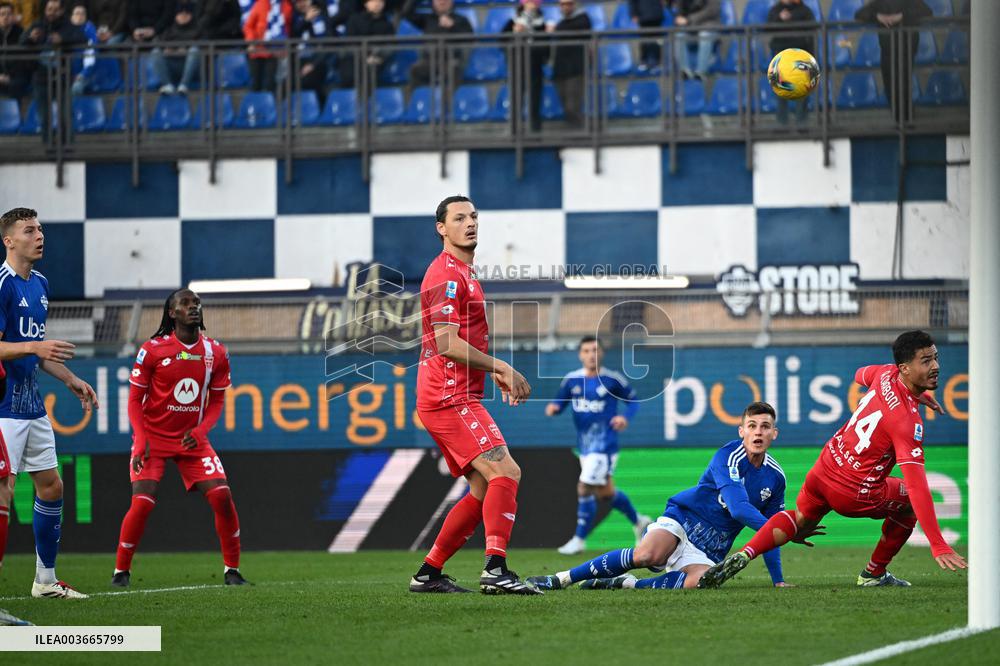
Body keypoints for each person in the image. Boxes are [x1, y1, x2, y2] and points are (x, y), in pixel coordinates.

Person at [700, 331, 968, 590]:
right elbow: (917, 486)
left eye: (935, 358)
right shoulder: (906, 422)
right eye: (926, 361)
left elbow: (859, 374)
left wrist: (917, 394)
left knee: (802, 520)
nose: (935, 366)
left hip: (824, 469)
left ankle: (746, 553)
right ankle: (873, 574)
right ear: (905, 368)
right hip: (854, 492)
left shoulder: (886, 374)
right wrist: (938, 543)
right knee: (909, 501)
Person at [408, 195, 539, 596]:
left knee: (483, 488)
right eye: (459, 217)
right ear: (441, 228)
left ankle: (428, 573)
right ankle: (495, 569)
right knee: (507, 471)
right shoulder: (444, 275)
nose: (470, 223)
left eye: (474, 216)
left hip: (455, 393)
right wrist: (500, 365)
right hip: (448, 397)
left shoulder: (465, 273)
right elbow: (447, 343)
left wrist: (487, 372)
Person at [528, 402, 791, 591]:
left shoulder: (776, 477)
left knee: (703, 582)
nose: (758, 432)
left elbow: (770, 534)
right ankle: (562, 579)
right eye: (752, 426)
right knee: (647, 556)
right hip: (684, 520)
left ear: (774, 434)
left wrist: (777, 579)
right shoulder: (727, 456)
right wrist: (785, 529)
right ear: (741, 431)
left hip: (711, 548)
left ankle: (630, 584)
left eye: (765, 427)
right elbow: (740, 509)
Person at [113, 288, 248, 588]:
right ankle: (121, 572)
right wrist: (140, 440)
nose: (194, 307)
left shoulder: (216, 352)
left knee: (222, 496)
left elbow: (216, 402)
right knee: (143, 502)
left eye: (197, 303)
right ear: (172, 313)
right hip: (153, 439)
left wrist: (200, 431)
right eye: (185, 303)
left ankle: (232, 571)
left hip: (192, 440)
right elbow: (135, 400)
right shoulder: (153, 350)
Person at [0, 207, 97, 599]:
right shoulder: (2, 283)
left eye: (40, 228)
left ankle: (45, 581)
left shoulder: (39, 283)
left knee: (52, 486)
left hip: (32, 406)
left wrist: (71, 379)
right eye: (29, 230)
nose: (39, 235)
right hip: (3, 408)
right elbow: (20, 346)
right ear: (9, 240)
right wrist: (32, 346)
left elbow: (38, 352)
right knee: (4, 491)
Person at [547, 336, 650, 555]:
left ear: (601, 353)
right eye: (586, 350)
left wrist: (625, 418)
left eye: (595, 350)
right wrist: (554, 408)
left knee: (584, 486)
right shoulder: (572, 380)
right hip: (585, 445)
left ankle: (579, 539)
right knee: (605, 493)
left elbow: (633, 401)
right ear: (580, 355)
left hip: (604, 445)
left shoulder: (612, 380)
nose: (591, 354)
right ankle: (639, 521)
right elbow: (560, 401)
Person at [20, 0, 87, 144]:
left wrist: (62, 39)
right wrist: (30, 38)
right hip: (41, 77)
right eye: (49, 9)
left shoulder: (68, 26)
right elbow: (22, 41)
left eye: (55, 9)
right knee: (44, 118)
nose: (51, 12)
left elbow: (82, 38)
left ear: (62, 11)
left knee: (66, 116)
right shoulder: (38, 25)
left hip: (62, 77)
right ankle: (49, 148)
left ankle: (67, 147)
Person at [854, 0, 931, 124]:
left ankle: (905, 120)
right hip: (888, 49)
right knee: (890, 83)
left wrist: (901, 16)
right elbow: (859, 14)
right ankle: (900, 120)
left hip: (906, 48)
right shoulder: (879, 3)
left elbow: (926, 11)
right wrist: (878, 17)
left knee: (902, 83)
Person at [401, 0, 472, 92]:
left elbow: (469, 38)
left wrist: (453, 26)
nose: (442, 2)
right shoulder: (427, 19)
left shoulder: (461, 20)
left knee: (454, 70)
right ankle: (419, 103)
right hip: (429, 61)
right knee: (415, 70)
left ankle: (448, 104)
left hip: (451, 60)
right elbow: (407, 13)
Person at [767, 0, 815, 125]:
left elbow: (812, 29)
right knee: (780, 89)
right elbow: (767, 28)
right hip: (780, 53)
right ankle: (782, 123)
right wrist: (780, 18)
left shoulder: (804, 10)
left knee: (802, 89)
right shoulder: (775, 10)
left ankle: (802, 122)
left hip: (800, 53)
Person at [503, 0, 547, 132]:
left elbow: (545, 48)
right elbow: (501, 41)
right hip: (517, 65)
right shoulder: (513, 21)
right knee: (516, 97)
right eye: (528, 2)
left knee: (535, 99)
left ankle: (535, 130)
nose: (531, 4)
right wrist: (514, 33)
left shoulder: (542, 23)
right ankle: (515, 129)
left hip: (535, 65)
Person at [551, 0, 590, 128]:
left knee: (572, 106)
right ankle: (573, 133)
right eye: (563, 4)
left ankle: (581, 133)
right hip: (560, 69)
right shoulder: (561, 22)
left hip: (576, 69)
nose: (565, 7)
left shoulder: (583, 19)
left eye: (568, 3)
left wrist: (555, 29)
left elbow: (573, 27)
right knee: (566, 106)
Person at [337, 0, 392, 90]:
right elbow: (350, 42)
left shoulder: (387, 24)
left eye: (381, 1)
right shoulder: (354, 20)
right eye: (373, 1)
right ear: (366, 4)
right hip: (354, 58)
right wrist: (365, 57)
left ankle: (366, 102)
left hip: (376, 59)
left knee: (370, 74)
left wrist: (379, 57)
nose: (377, 3)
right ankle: (349, 101)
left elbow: (390, 46)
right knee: (348, 74)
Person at [149, 1, 199, 95]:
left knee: (194, 51)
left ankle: (184, 85)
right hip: (172, 66)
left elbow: (201, 45)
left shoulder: (198, 29)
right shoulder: (169, 31)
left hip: (192, 70)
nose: (183, 15)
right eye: (180, 13)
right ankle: (167, 85)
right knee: (155, 52)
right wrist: (166, 50)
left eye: (187, 13)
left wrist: (184, 50)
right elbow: (156, 42)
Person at [243, 0, 293, 91]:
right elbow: (248, 26)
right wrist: (251, 42)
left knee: (270, 83)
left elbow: (288, 28)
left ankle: (271, 104)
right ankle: (255, 105)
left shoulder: (287, 6)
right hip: (257, 51)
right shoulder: (260, 4)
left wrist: (284, 45)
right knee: (255, 83)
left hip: (275, 52)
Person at [289, 0, 330, 104]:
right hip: (297, 61)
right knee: (287, 82)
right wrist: (306, 20)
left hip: (316, 61)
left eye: (303, 1)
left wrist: (313, 64)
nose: (301, 4)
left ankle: (319, 110)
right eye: (298, 2)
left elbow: (324, 46)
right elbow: (293, 35)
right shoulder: (294, 19)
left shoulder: (320, 18)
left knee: (309, 81)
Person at [671, 0, 720, 80]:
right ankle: (685, 71)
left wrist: (689, 19)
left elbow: (712, 10)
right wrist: (679, 16)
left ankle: (701, 72)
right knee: (679, 35)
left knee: (704, 35)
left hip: (709, 26)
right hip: (690, 29)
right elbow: (679, 10)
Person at [69, 2, 98, 96]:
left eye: (82, 14)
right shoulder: (65, 29)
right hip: (65, 75)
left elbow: (91, 56)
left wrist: (83, 74)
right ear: (71, 17)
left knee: (76, 88)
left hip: (85, 75)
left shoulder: (89, 29)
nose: (80, 16)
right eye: (77, 13)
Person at [0, 2, 27, 99]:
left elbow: (24, 61)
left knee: (16, 86)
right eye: (2, 14)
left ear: (13, 16)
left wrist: (9, 77)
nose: (5, 17)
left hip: (16, 77)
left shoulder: (21, 33)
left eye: (9, 14)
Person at [629, 0, 664, 73]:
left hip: (656, 15)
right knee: (644, 40)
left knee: (657, 41)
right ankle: (644, 61)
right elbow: (632, 2)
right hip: (643, 16)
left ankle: (657, 62)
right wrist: (634, 14)